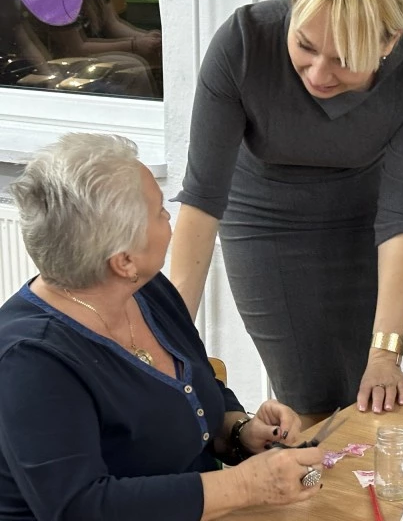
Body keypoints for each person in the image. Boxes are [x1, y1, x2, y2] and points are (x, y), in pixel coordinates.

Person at [171, 0, 403, 425]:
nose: (319, 74)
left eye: (344, 59)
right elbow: (200, 205)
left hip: (362, 219)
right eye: (305, 46)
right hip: (263, 217)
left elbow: (400, 219)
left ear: (388, 43)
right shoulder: (242, 42)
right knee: (306, 393)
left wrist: (386, 355)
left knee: (364, 394)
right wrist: (169, 339)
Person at [0, 133, 324, 520]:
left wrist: (239, 431)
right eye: (158, 211)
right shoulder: (30, 360)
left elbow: (198, 393)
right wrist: (246, 485)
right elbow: (80, 507)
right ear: (123, 260)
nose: (169, 216)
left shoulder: (147, 290)